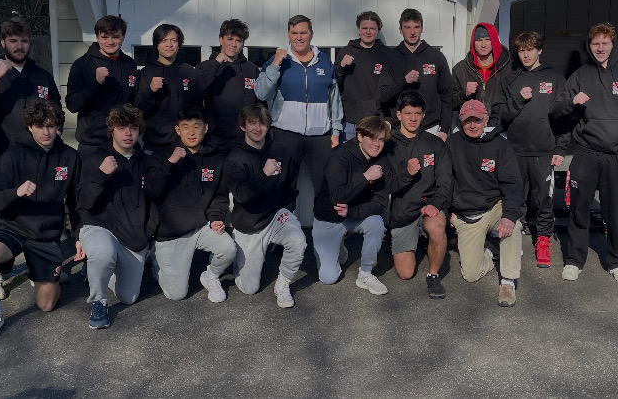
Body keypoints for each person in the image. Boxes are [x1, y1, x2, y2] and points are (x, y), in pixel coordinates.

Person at [553, 23, 618, 283]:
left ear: (613, 44)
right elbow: (557, 109)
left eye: (604, 43)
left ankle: (617, 262)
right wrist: (572, 102)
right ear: (589, 45)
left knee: (615, 213)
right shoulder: (580, 75)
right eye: (595, 43)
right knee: (579, 211)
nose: (600, 48)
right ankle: (574, 260)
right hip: (586, 153)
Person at [0, 100, 80, 342]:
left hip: (46, 234)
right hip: (13, 227)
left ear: (58, 128)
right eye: (40, 126)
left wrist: (78, 235)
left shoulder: (69, 157)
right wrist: (16, 193)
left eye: (51, 126)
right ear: (30, 127)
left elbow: (76, 202)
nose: (46, 132)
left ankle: (42, 272)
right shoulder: (13, 154)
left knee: (47, 305)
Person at [0, 17, 60, 236]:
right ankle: (3, 265)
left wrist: (55, 134)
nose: (19, 46)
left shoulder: (42, 76)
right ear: (3, 43)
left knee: (40, 209)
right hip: (3, 157)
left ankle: (40, 261)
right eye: (13, 41)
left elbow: (57, 111)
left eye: (24, 41)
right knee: (1, 212)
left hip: (39, 157)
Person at [312, 116, 416, 294]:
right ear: (359, 136)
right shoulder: (339, 158)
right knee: (329, 278)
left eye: (381, 139)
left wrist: (352, 211)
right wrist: (366, 177)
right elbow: (337, 197)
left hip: (354, 215)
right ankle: (339, 249)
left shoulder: (382, 161)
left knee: (376, 223)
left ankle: (365, 273)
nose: (377, 144)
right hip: (329, 218)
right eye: (372, 138)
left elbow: (381, 202)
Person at [491, 31, 569, 268]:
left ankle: (543, 240)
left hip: (544, 151)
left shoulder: (555, 78)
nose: (525, 54)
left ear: (539, 50)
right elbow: (498, 117)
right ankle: (514, 239)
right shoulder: (510, 79)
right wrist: (517, 101)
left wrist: (561, 147)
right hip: (514, 150)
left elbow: (562, 116)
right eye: (521, 50)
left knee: (544, 199)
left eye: (530, 49)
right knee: (515, 198)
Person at [144, 108, 236, 302]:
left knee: (228, 249)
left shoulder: (216, 158)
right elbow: (151, 191)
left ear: (206, 128)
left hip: (200, 226)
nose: (191, 132)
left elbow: (220, 195)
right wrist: (170, 163)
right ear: (177, 130)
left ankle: (211, 275)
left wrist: (216, 218)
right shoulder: (162, 155)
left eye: (196, 126)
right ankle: (156, 259)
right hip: (170, 232)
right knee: (176, 294)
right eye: (186, 127)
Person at [75, 104, 151, 330]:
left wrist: (149, 233)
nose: (128, 134)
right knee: (103, 253)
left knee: (129, 297)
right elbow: (84, 203)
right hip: (100, 226)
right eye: (121, 128)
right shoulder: (94, 159)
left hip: (132, 234)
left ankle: (102, 271)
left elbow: (154, 201)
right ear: (111, 131)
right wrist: (100, 175)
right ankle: (98, 301)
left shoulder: (145, 162)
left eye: (133, 128)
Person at [224, 104, 306, 308]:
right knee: (248, 288)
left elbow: (290, 185)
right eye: (252, 123)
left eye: (262, 123)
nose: (258, 128)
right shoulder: (235, 158)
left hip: (276, 215)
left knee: (298, 241)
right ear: (243, 126)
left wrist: (287, 209)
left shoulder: (281, 151)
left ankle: (283, 283)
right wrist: (264, 175)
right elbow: (242, 196)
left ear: (269, 126)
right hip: (249, 223)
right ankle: (236, 254)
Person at [254, 14, 343, 198]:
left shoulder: (324, 61)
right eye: (294, 33)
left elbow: (334, 98)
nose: (299, 37)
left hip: (320, 135)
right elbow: (261, 93)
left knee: (325, 185)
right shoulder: (277, 61)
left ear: (311, 34)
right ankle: (284, 225)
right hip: (285, 133)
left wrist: (335, 130)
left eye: (303, 32)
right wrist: (276, 64)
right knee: (283, 184)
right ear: (288, 34)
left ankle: (324, 225)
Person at [447, 100, 523, 307]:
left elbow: (513, 185)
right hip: (465, 213)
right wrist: (448, 213)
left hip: (493, 207)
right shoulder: (451, 144)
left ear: (486, 120)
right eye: (467, 120)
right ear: (460, 121)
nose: (472, 125)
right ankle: (490, 250)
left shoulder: (501, 145)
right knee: (470, 274)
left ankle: (508, 281)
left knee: (513, 225)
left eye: (477, 120)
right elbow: (444, 182)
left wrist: (508, 215)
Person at [381, 91, 452, 299]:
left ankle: (433, 274)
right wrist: (406, 173)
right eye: (408, 113)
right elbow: (387, 185)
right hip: (404, 209)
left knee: (437, 227)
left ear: (423, 115)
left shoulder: (435, 143)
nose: (413, 118)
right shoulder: (388, 145)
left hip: (429, 204)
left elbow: (446, 180)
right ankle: (417, 240)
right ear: (398, 115)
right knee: (405, 273)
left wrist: (436, 203)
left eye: (417, 113)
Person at [66, 15, 137, 159]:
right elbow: (72, 105)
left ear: (123, 36)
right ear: (97, 38)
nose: (110, 42)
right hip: (92, 144)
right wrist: (94, 83)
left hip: (123, 142)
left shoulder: (130, 65)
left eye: (115, 37)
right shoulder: (82, 65)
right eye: (105, 37)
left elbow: (134, 101)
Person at [379, 8, 453, 140]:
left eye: (416, 27)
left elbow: (446, 95)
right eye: (407, 27)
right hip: (399, 129)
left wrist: (445, 128)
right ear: (400, 30)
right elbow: (383, 96)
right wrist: (402, 81)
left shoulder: (436, 57)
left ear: (422, 28)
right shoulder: (391, 58)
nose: (412, 32)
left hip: (431, 127)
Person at [195, 19, 260, 154]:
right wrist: (216, 63)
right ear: (220, 39)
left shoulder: (251, 69)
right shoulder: (206, 67)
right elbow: (197, 92)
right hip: (213, 139)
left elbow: (260, 104)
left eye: (238, 40)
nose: (234, 44)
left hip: (244, 139)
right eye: (230, 39)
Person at [134, 24, 199, 152]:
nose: (169, 45)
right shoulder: (147, 72)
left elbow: (197, 107)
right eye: (164, 40)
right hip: (155, 145)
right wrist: (150, 90)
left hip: (185, 144)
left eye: (173, 41)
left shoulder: (188, 71)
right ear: (156, 45)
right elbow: (138, 109)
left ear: (178, 44)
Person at [334, 10, 392, 140]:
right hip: (349, 122)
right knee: (350, 159)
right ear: (358, 29)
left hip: (377, 121)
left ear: (378, 30)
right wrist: (341, 67)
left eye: (372, 28)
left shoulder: (387, 55)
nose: (368, 32)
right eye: (364, 28)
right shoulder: (346, 52)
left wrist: (388, 118)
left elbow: (392, 89)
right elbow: (334, 85)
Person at [452, 23, 513, 125]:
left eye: (487, 39)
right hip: (470, 128)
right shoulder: (460, 69)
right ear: (473, 43)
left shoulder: (510, 68)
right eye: (479, 40)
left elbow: (514, 101)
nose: (483, 44)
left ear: (494, 41)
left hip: (501, 127)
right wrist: (464, 94)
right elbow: (450, 102)